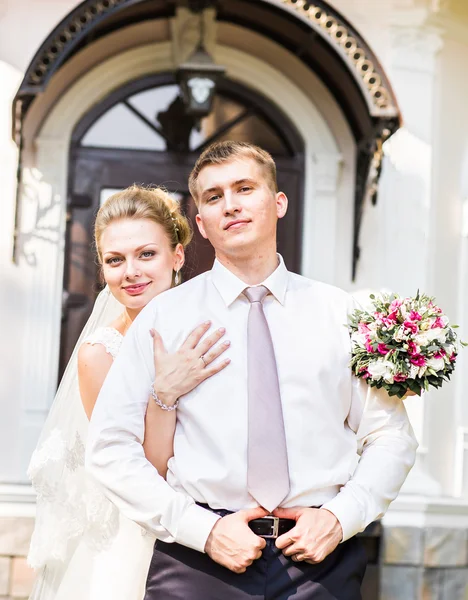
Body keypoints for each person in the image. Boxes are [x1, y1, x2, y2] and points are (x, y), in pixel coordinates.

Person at [86, 141, 418, 600]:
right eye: (214, 197)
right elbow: (109, 448)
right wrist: (200, 529)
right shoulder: (162, 319)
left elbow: (390, 435)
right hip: (197, 563)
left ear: (278, 203)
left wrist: (343, 516)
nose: (231, 205)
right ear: (200, 223)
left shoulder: (341, 314)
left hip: (320, 562)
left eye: (244, 188)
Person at [27, 185, 230, 600]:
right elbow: (145, 468)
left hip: (228, 526)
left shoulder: (213, 329)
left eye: (146, 254)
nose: (131, 272)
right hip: (142, 538)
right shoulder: (100, 355)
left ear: (177, 256)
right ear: (102, 270)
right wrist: (164, 394)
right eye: (115, 260)